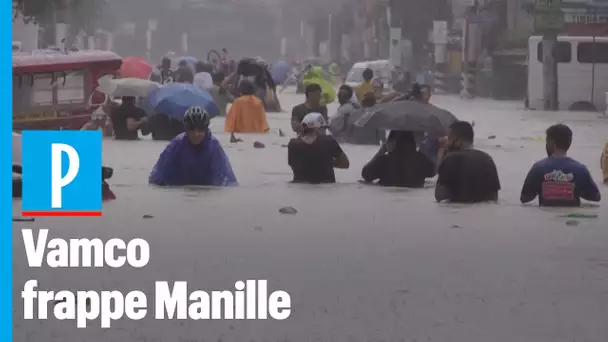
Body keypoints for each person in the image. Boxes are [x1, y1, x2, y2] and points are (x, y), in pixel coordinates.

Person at [149, 106, 238, 187]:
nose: (196, 134)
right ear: (186, 128)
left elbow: (226, 179)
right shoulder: (176, 145)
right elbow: (157, 176)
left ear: (206, 129)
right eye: (192, 129)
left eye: (200, 129)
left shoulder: (213, 146)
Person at [520, 124, 601, 207]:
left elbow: (524, 198)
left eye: (547, 141)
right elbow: (596, 197)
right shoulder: (580, 169)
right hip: (572, 217)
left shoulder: (538, 168)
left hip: (545, 217)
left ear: (552, 143)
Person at [435, 121, 501, 203]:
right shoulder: (487, 159)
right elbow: (494, 197)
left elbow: (439, 196)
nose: (447, 142)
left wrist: (442, 152)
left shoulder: (451, 159)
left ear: (458, 138)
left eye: (449, 137)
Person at [288, 113, 350, 184]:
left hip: (299, 188)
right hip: (326, 189)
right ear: (317, 128)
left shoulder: (293, 144)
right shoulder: (329, 141)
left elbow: (292, 164)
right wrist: (326, 160)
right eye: (324, 128)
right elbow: (345, 164)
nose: (325, 131)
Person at [362, 131, 435, 187]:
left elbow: (366, 175)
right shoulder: (421, 159)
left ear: (391, 143)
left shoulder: (384, 161)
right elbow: (433, 172)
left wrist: (382, 151)